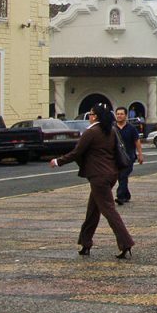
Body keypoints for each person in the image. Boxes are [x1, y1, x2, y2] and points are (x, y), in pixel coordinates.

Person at [49, 107, 134, 259]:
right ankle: (85, 243)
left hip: (98, 175)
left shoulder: (92, 132)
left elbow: (77, 152)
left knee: (108, 210)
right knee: (93, 210)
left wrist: (57, 161)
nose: (89, 116)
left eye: (91, 114)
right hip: (110, 174)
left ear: (96, 117)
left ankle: (125, 242)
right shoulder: (110, 130)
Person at [113, 106, 143, 205]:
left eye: (121, 114)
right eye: (117, 114)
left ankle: (120, 196)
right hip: (117, 157)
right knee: (121, 177)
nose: (119, 116)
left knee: (123, 175)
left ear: (126, 115)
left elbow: (137, 141)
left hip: (129, 157)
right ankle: (126, 194)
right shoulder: (113, 128)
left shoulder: (131, 128)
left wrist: (140, 154)